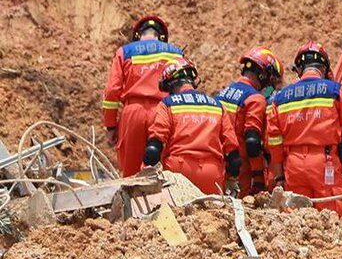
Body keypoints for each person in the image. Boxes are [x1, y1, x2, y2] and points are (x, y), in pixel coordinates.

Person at [266, 41, 342, 216]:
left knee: (296, 220)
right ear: (325, 68)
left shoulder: (280, 98)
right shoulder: (334, 90)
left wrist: (280, 177)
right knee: (330, 218)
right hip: (325, 163)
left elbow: (274, 141)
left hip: (293, 165)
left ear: (299, 69)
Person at [144, 58, 241, 194]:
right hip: (212, 175)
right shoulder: (218, 106)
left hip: (178, 174)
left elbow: (153, 150)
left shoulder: (167, 104)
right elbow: (234, 155)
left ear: (169, 84)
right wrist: (231, 180)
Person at [103, 15, 184, 177]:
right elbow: (183, 87)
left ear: (138, 35)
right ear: (162, 37)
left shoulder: (124, 52)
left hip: (133, 114)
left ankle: (132, 202)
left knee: (131, 174)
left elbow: (112, 91)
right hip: (164, 114)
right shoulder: (175, 53)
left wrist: (110, 125)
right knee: (162, 172)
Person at [216, 46, 284, 197]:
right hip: (242, 170)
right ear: (263, 75)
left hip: (220, 164)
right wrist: (258, 177)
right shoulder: (255, 99)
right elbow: (252, 142)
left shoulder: (222, 94)